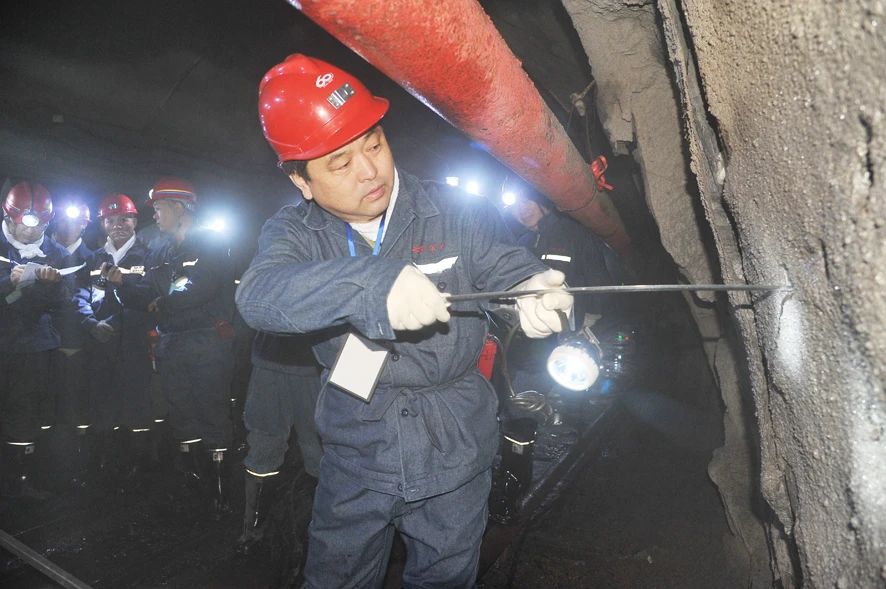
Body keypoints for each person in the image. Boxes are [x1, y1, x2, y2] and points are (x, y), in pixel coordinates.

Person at [236, 54, 573, 588]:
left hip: (455, 445)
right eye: (340, 164)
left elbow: (503, 264)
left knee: (445, 578)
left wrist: (531, 289)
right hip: (355, 450)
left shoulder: (453, 210)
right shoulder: (295, 233)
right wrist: (373, 284)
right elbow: (259, 296)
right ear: (301, 180)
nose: (369, 170)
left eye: (373, 144)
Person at [109, 177, 235, 516]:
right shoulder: (162, 253)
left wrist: (162, 303)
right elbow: (148, 293)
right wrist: (121, 286)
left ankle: (221, 488)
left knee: (212, 412)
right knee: (181, 412)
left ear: (180, 208)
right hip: (171, 344)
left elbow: (201, 287)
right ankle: (194, 481)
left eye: (160, 208)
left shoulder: (210, 243)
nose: (155, 216)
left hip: (206, 342)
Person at [75, 193, 155, 478]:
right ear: (103, 224)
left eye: (125, 219)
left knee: (137, 403)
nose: (118, 225)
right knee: (102, 402)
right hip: (101, 343)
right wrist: (89, 323)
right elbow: (80, 295)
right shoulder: (94, 258)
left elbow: (150, 297)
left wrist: (123, 286)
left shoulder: (148, 256)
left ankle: (138, 467)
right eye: (111, 220)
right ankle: (103, 466)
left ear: (135, 221)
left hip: (135, 343)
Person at [0, 180, 68, 498]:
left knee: (24, 409)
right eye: (25, 223)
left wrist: (48, 286)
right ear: (9, 217)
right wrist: (9, 282)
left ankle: (19, 480)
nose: (31, 231)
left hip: (32, 346)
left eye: (40, 224)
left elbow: (64, 299)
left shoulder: (56, 253)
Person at [236, 331, 323, 556]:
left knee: (321, 449)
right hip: (273, 358)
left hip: (314, 362)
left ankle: (320, 534)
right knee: (264, 446)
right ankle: (254, 530)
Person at [48, 199, 94, 481]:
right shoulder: (42, 252)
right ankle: (47, 466)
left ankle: (78, 465)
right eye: (63, 220)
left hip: (79, 343)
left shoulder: (93, 259)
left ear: (85, 225)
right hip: (46, 342)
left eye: (75, 221)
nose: (68, 226)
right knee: (47, 405)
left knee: (78, 405)